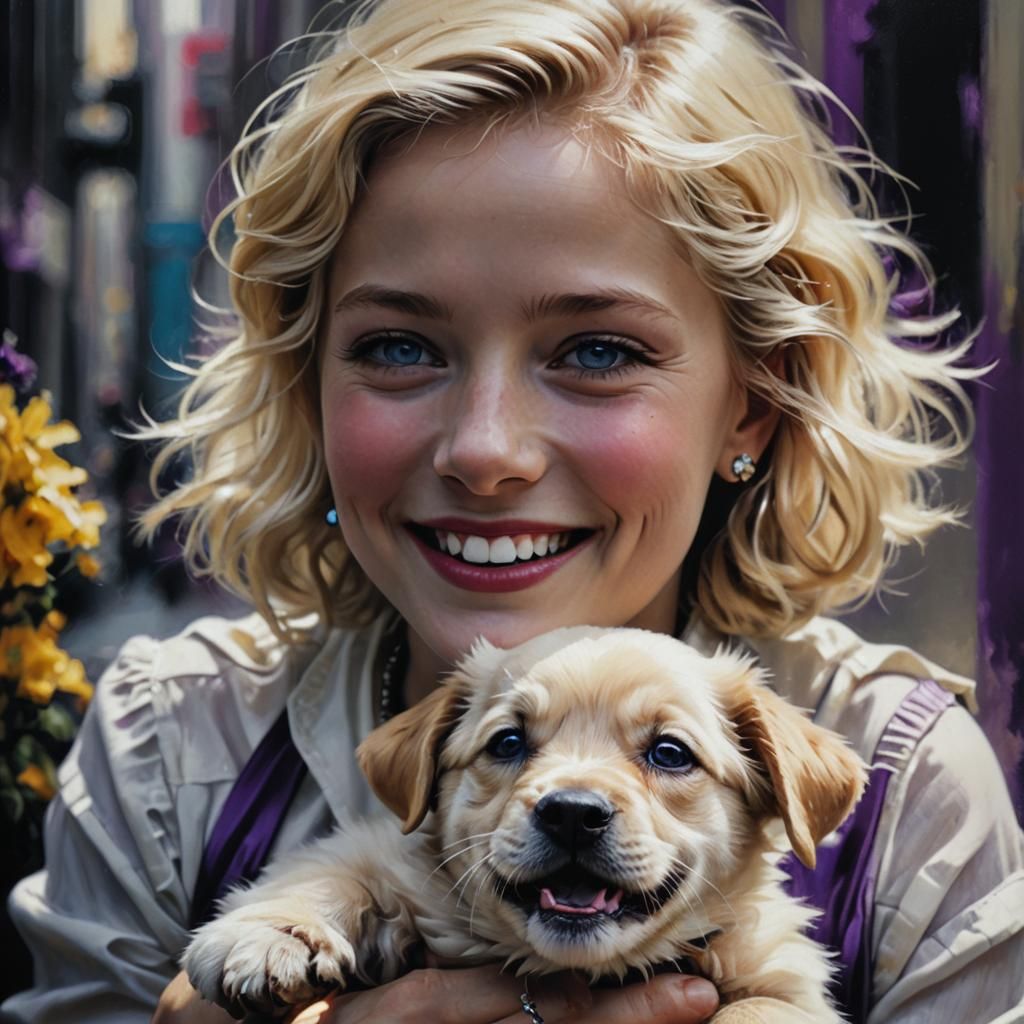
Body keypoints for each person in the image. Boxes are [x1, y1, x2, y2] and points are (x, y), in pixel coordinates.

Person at [5, 0, 1023, 1021]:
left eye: (597, 351)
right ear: (309, 384)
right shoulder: (169, 752)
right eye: (399, 346)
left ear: (751, 405)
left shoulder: (908, 797)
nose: (485, 450)